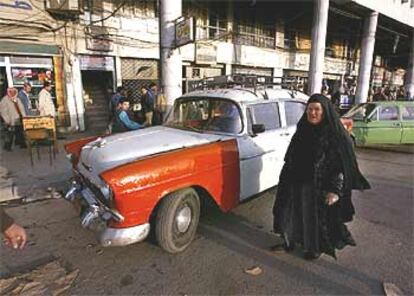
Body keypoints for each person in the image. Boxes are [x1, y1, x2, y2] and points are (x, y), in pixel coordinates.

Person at [272, 94, 370, 260]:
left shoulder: (335, 135)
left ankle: (313, 248)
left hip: (317, 185)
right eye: (310, 109)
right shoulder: (302, 128)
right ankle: (288, 241)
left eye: (317, 109)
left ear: (325, 111)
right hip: (294, 180)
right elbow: (291, 156)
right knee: (288, 213)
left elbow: (341, 166)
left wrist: (335, 190)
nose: (313, 113)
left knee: (313, 219)